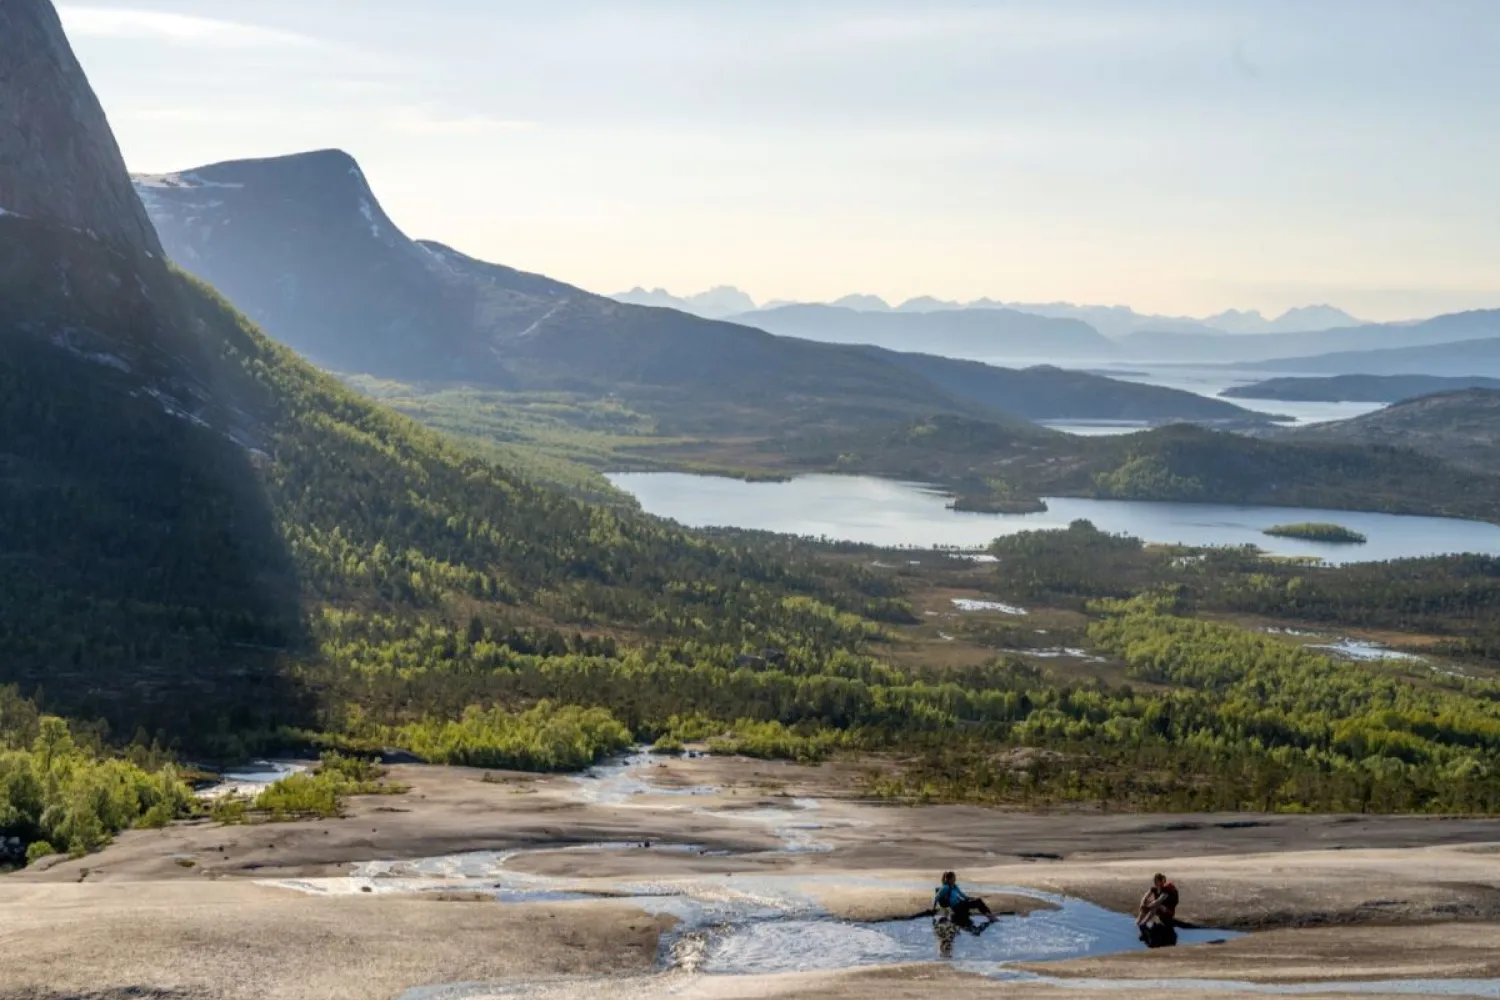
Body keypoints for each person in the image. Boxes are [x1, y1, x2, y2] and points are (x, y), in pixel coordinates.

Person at [1137, 873, 1179, 948]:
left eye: (1157, 881)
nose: (1155, 882)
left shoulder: (1166, 890)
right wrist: (1143, 904)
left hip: (1168, 912)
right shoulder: (1154, 889)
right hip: (1159, 910)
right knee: (1146, 905)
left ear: (1161, 881)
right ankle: (1139, 923)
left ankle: (1144, 923)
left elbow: (1158, 901)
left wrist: (1148, 907)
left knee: (1155, 906)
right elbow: (1145, 897)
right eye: (1154, 881)